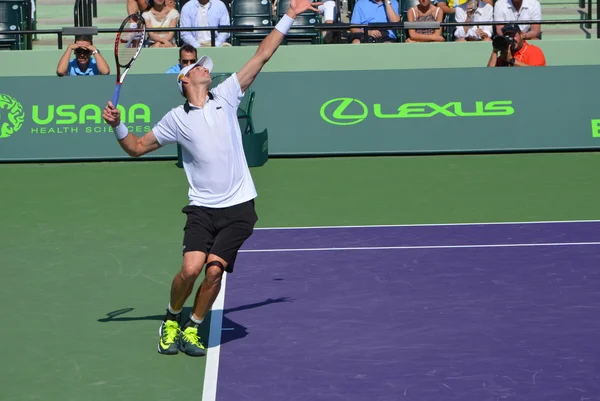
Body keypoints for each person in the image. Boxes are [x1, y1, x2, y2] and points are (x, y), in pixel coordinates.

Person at [102, 0, 321, 357]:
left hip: (238, 206)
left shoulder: (227, 96)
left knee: (214, 272)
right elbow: (137, 147)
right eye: (199, 68)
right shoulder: (176, 118)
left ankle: (194, 326)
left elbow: (262, 56)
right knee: (190, 270)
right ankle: (172, 317)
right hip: (203, 208)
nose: (207, 70)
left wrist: (290, 15)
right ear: (184, 80)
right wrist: (117, 125)